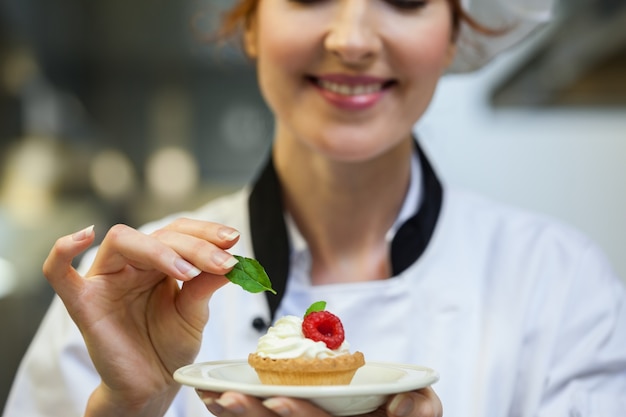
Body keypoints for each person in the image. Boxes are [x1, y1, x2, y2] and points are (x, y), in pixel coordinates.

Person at [4, 0, 626, 416]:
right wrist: (126, 407)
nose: (352, 41)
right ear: (248, 19)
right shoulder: (126, 292)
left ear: (456, 30)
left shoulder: (558, 283)